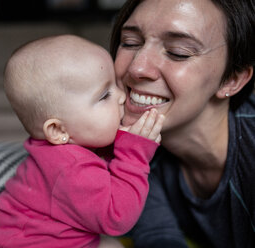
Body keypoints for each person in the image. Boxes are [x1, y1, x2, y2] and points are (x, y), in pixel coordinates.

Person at [0, 35, 164, 248]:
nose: (121, 96)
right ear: (57, 130)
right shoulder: (72, 168)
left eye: (116, 85)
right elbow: (117, 218)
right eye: (104, 96)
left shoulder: (56, 152)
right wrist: (133, 156)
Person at [109, 0, 255, 247]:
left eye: (178, 52)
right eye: (130, 43)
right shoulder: (129, 151)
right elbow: (159, 237)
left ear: (231, 80)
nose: (137, 67)